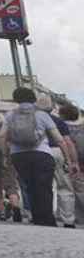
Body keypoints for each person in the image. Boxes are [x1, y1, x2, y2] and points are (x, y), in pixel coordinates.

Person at [1, 86, 78, 227]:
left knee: (29, 187)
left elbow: (2, 136)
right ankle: (48, 220)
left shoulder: (9, 115)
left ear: (15, 99)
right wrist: (68, 159)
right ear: (33, 98)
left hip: (18, 156)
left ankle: (37, 219)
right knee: (44, 187)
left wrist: (6, 156)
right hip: (41, 154)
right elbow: (59, 139)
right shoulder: (42, 115)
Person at [38, 93, 80, 228]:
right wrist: (72, 161)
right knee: (64, 186)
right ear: (51, 107)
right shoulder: (58, 121)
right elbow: (67, 142)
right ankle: (68, 220)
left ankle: (47, 216)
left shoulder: (34, 119)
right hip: (57, 151)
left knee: (45, 187)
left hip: (39, 152)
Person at [58, 104, 84, 226]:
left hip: (72, 163)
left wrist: (73, 162)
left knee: (72, 190)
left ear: (63, 115)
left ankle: (79, 218)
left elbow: (67, 145)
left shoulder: (62, 127)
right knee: (80, 190)